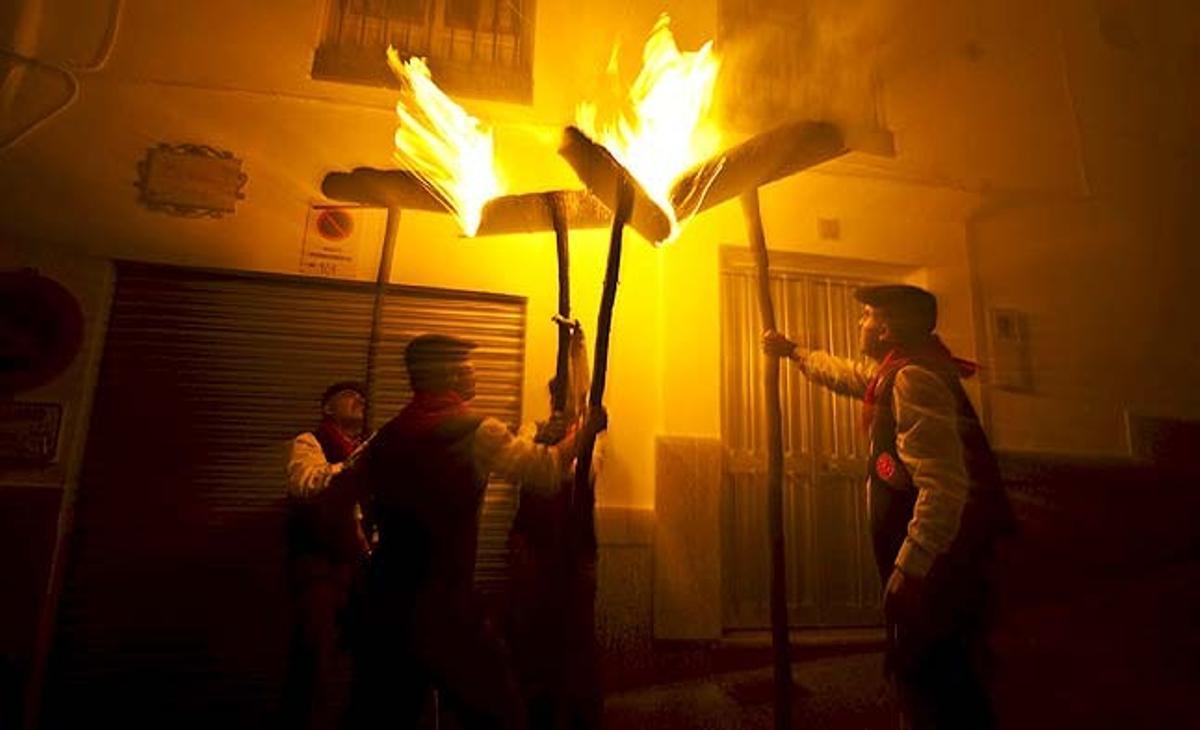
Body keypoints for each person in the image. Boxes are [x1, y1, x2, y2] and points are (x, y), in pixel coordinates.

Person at [762, 284, 1014, 730]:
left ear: (888, 328)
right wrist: (795, 352)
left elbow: (943, 485)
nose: (860, 323)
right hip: (932, 568)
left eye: (867, 315)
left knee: (938, 679)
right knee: (925, 671)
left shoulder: (915, 378)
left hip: (939, 570)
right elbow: (847, 375)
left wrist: (912, 566)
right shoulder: (895, 373)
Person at [336, 333, 603, 729]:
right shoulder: (477, 430)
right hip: (447, 608)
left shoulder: (386, 436)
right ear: (448, 373)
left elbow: (339, 492)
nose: (474, 372)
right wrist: (585, 431)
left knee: (385, 714)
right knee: (499, 712)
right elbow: (545, 470)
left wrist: (362, 545)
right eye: (467, 365)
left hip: (387, 604)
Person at [506, 323, 603, 730]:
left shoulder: (590, 435)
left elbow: (584, 471)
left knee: (576, 627)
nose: (564, 402)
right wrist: (551, 444)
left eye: (569, 397)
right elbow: (528, 470)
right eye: (558, 396)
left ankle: (578, 709)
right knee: (533, 624)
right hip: (534, 544)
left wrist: (579, 349)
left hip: (577, 545)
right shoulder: (533, 430)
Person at [282, 380, 372, 730]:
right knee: (314, 659)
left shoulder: (366, 449)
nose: (358, 399)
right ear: (327, 408)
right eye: (348, 396)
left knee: (363, 661)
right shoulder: (309, 442)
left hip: (360, 570)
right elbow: (305, 484)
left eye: (362, 396)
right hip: (319, 569)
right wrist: (353, 466)